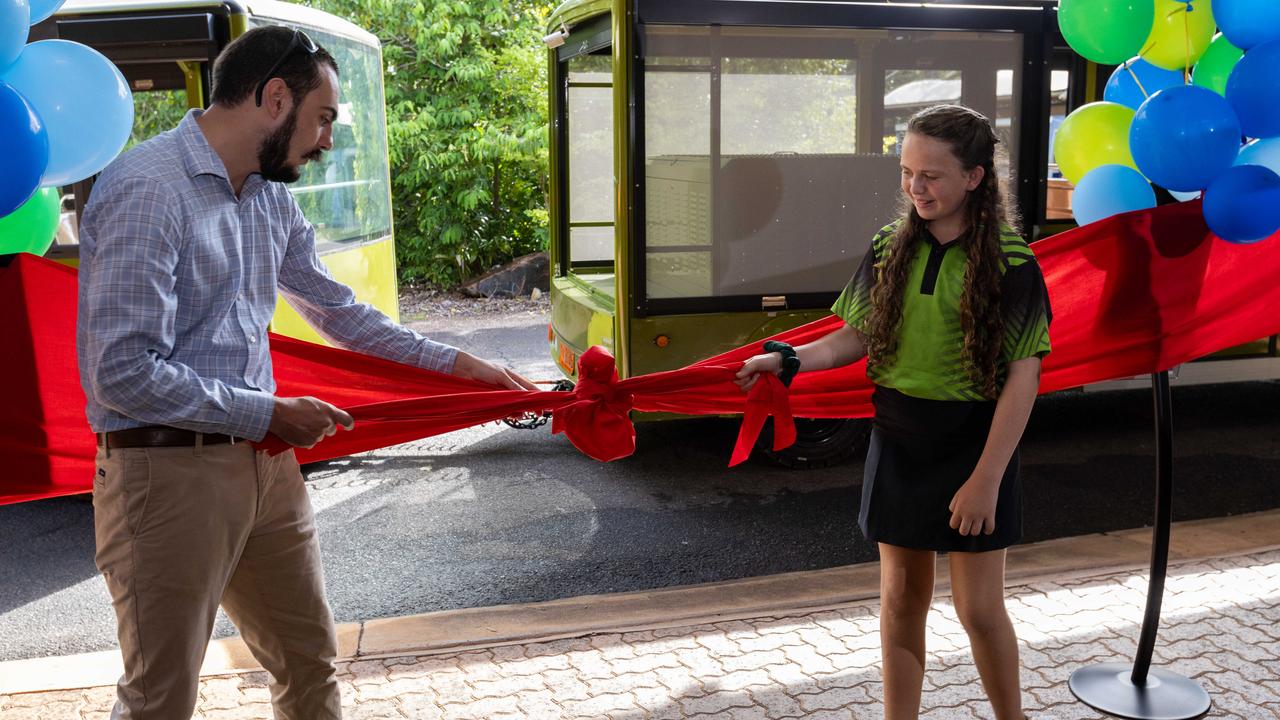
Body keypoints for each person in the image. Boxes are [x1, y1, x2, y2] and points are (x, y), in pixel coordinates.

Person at [76, 26, 537, 720]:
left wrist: (464, 369)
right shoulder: (147, 190)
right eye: (322, 118)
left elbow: (341, 314)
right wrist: (268, 413)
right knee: (158, 699)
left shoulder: (268, 200)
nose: (326, 140)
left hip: (266, 470)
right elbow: (122, 374)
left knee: (310, 663)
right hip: (162, 480)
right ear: (274, 98)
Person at [736, 104, 1051, 720]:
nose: (916, 187)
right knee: (901, 601)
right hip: (900, 438)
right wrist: (789, 359)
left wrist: (985, 481)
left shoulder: (1015, 263)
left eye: (932, 175)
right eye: (908, 172)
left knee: (979, 611)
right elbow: (856, 336)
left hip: (975, 445)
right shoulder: (889, 245)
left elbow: (1024, 377)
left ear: (975, 178)